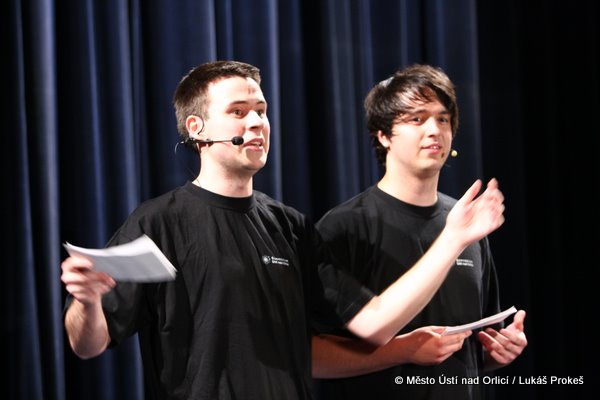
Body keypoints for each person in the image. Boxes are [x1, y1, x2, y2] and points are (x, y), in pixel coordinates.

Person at [61, 60, 506, 400]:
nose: (256, 123)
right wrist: (88, 301)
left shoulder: (290, 227)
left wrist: (453, 239)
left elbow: (372, 325)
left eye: (261, 111)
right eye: (238, 112)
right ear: (197, 129)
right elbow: (88, 344)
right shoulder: (159, 222)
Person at [311, 64, 527, 400]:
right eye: (417, 119)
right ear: (383, 135)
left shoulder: (466, 223)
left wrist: (499, 353)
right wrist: (401, 351)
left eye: (443, 119)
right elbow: (313, 357)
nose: (434, 130)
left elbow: (472, 351)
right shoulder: (344, 227)